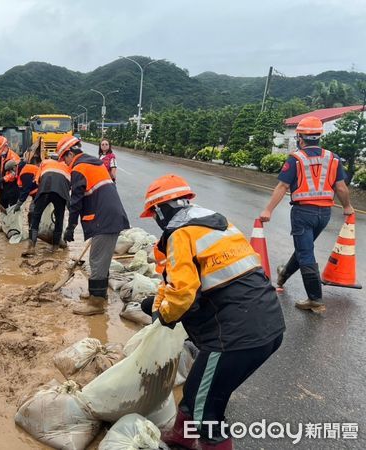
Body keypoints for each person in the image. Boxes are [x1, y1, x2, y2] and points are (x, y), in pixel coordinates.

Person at [140, 174, 285, 450]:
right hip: (267, 324)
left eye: (154, 213)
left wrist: (164, 317)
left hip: (233, 336)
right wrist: (158, 304)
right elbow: (175, 281)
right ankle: (180, 438)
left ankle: (199, 439)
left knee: (207, 414)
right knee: (199, 392)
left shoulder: (180, 234)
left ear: (160, 209)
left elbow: (182, 295)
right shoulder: (214, 222)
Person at [259, 116, 354, 312]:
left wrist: (268, 210)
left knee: (306, 253)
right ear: (319, 136)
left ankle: (315, 299)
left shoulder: (296, 158)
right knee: (305, 248)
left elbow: (283, 186)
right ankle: (284, 274)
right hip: (324, 214)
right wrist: (347, 207)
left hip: (303, 212)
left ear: (300, 137)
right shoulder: (332, 158)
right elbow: (341, 187)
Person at [58, 135, 130, 315]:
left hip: (104, 217)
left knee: (97, 260)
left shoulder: (79, 168)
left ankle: (96, 304)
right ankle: (97, 293)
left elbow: (76, 201)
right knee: (99, 258)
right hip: (108, 215)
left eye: (64, 159)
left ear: (69, 154)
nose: (65, 164)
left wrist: (70, 226)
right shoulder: (93, 163)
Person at [21, 157, 71, 256]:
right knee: (59, 219)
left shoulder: (44, 163)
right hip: (61, 192)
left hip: (45, 189)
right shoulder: (67, 166)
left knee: (36, 216)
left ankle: (31, 247)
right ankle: (55, 248)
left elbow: (38, 180)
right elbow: (69, 185)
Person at [0, 135, 21, 209]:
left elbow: (14, 174)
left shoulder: (14, 158)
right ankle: (4, 220)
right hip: (3, 187)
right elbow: (0, 166)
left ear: (5, 146)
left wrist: (1, 180)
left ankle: (12, 220)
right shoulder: (1, 156)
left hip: (12, 187)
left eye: (0, 149)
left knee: (12, 209)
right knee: (3, 206)